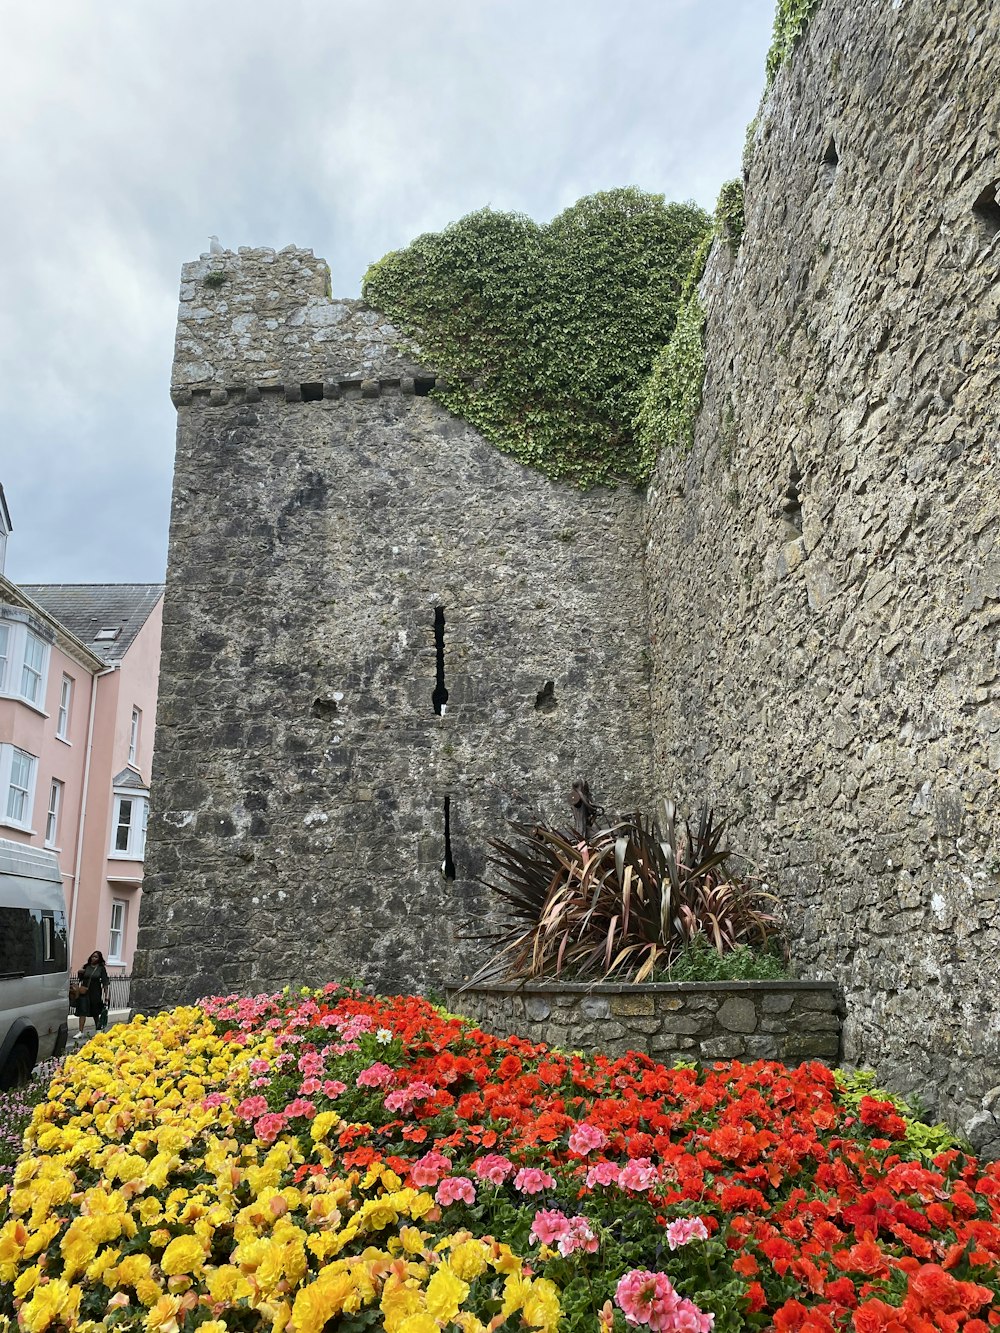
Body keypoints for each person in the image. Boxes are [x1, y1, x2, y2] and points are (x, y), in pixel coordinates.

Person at [72, 951, 110, 1042]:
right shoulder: (86, 967)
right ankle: (80, 1031)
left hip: (95, 992)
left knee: (95, 1012)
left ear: (99, 959)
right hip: (84, 991)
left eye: (96, 957)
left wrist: (106, 996)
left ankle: (98, 1029)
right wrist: (80, 972)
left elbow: (105, 983)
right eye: (93, 956)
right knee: (82, 1011)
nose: (94, 958)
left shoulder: (101, 969)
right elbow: (80, 979)